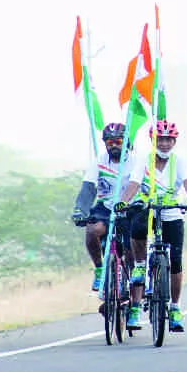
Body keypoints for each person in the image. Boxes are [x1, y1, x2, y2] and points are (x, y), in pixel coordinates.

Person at [115, 121, 187, 332]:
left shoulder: (180, 160)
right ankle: (138, 272)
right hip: (149, 208)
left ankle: (175, 307)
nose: (164, 144)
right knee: (137, 228)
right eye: (160, 139)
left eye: (168, 140)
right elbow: (134, 183)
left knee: (175, 261)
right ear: (153, 140)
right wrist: (125, 200)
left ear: (174, 141)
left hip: (172, 211)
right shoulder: (143, 160)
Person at [71, 122, 134, 292]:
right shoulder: (99, 162)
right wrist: (80, 210)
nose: (114, 146)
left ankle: (131, 277)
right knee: (92, 230)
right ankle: (99, 270)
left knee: (132, 248)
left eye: (118, 142)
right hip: (106, 207)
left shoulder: (136, 162)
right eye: (110, 142)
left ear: (126, 142)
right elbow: (88, 188)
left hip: (130, 208)